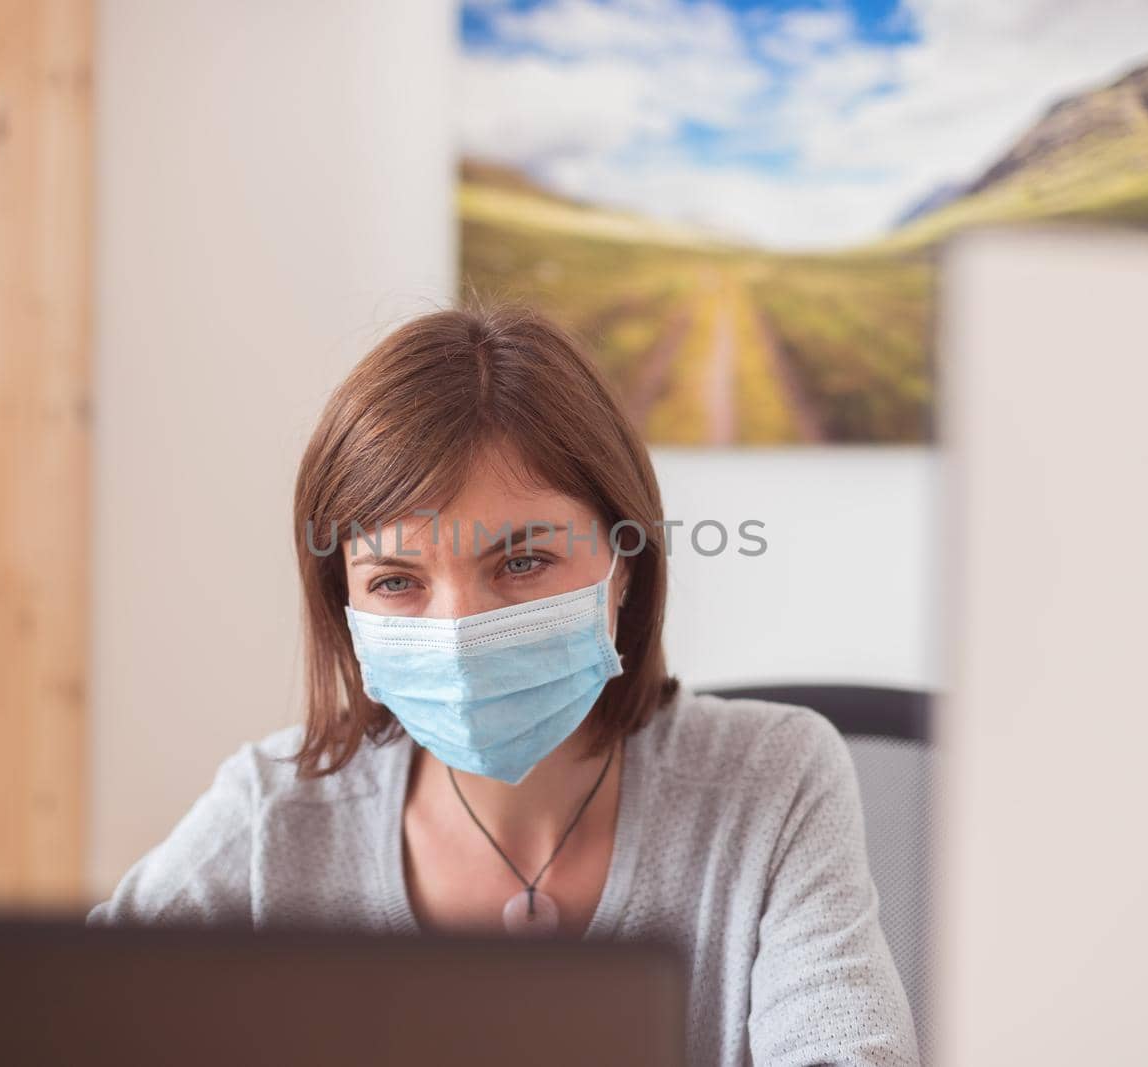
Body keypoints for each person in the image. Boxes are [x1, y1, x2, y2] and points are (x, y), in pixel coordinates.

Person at [90, 305, 919, 1066]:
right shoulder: (271, 820)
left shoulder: (773, 780)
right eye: (395, 580)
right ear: (342, 600)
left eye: (521, 561)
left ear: (624, 564)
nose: (457, 630)